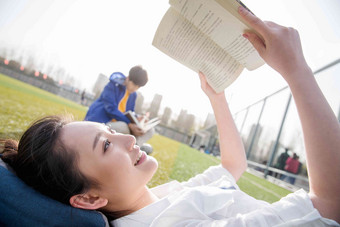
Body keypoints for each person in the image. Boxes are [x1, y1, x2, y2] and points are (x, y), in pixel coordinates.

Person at [1, 6, 340, 226]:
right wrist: (297, 71)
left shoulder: (160, 197)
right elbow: (331, 204)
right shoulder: (167, 221)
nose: (129, 138)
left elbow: (232, 168)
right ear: (90, 199)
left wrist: (216, 97)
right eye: (105, 146)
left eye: (109, 132)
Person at [85, 65, 154, 146]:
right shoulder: (113, 85)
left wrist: (137, 118)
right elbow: (110, 109)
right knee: (123, 127)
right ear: (128, 78)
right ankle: (131, 147)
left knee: (150, 130)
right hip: (102, 122)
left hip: (119, 124)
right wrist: (129, 123)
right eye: (134, 85)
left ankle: (135, 146)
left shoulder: (133, 95)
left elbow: (130, 112)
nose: (135, 88)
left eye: (138, 87)